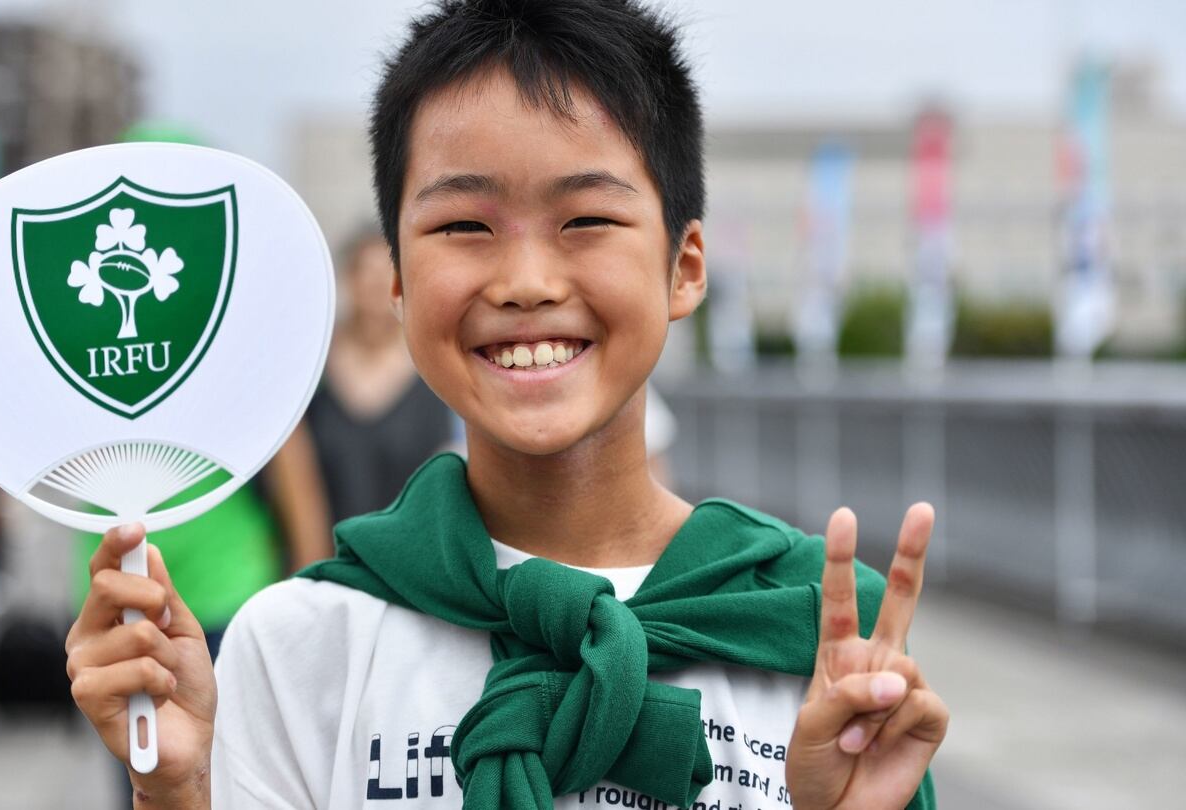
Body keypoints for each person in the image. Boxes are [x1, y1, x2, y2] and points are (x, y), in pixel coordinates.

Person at [66, 2, 949, 808]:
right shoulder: (301, 647)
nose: (526, 282)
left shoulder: (813, 638)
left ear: (684, 267)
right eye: (464, 227)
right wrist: (177, 793)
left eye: (587, 221)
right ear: (400, 281)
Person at [304, 228, 455, 524]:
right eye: (365, 272)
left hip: (410, 545)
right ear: (348, 279)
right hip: (321, 548)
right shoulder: (316, 362)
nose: (374, 285)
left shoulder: (432, 364)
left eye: (385, 272)